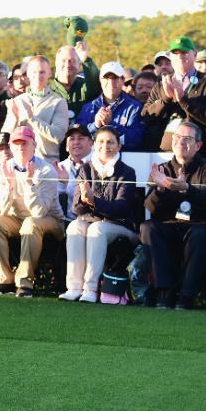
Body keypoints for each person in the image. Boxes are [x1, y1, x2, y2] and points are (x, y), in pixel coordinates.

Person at [139, 121, 206, 309]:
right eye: (177, 137)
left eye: (187, 139)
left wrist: (187, 189)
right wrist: (160, 190)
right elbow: (150, 207)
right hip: (169, 225)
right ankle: (164, 293)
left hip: (199, 225)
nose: (180, 142)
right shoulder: (161, 170)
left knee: (199, 235)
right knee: (147, 228)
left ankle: (186, 296)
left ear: (198, 145)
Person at [0, 125, 64, 297]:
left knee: (31, 224)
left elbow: (39, 212)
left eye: (25, 143)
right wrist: (10, 187)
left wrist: (29, 184)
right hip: (15, 218)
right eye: (16, 143)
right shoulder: (1, 171)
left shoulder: (47, 170)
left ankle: (25, 282)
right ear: (11, 147)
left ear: (34, 145)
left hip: (50, 221)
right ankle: (4, 279)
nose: (20, 147)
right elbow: (0, 210)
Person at [60, 126, 139, 303]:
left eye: (111, 142)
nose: (106, 146)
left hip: (121, 226)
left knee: (97, 229)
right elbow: (76, 209)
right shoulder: (85, 169)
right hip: (90, 221)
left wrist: (93, 201)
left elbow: (121, 208)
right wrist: (84, 201)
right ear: (95, 145)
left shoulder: (127, 172)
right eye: (101, 142)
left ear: (119, 146)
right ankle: (73, 287)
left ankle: (90, 288)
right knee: (75, 226)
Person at [140, 36, 206, 153]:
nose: (179, 56)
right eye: (175, 53)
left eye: (184, 52)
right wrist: (166, 99)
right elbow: (146, 117)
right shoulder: (161, 84)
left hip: (199, 153)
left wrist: (183, 100)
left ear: (194, 54)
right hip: (165, 152)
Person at [2, 55, 69, 163]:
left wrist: (32, 118)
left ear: (49, 73)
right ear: (28, 73)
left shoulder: (59, 102)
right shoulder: (18, 101)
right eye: (34, 72)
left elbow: (58, 136)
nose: (38, 76)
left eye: (42, 72)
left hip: (48, 167)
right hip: (20, 167)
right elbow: (4, 139)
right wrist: (14, 119)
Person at [76, 61, 144, 151]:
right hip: (93, 160)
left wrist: (110, 125)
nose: (111, 82)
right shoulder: (88, 107)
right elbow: (78, 137)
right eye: (106, 78)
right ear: (100, 80)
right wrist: (95, 125)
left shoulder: (135, 107)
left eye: (115, 78)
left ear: (123, 80)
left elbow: (136, 139)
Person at [50, 45, 100, 124]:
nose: (67, 64)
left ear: (80, 65)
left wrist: (85, 59)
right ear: (56, 63)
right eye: (63, 60)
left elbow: (96, 81)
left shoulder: (85, 87)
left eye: (72, 60)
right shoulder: (47, 90)